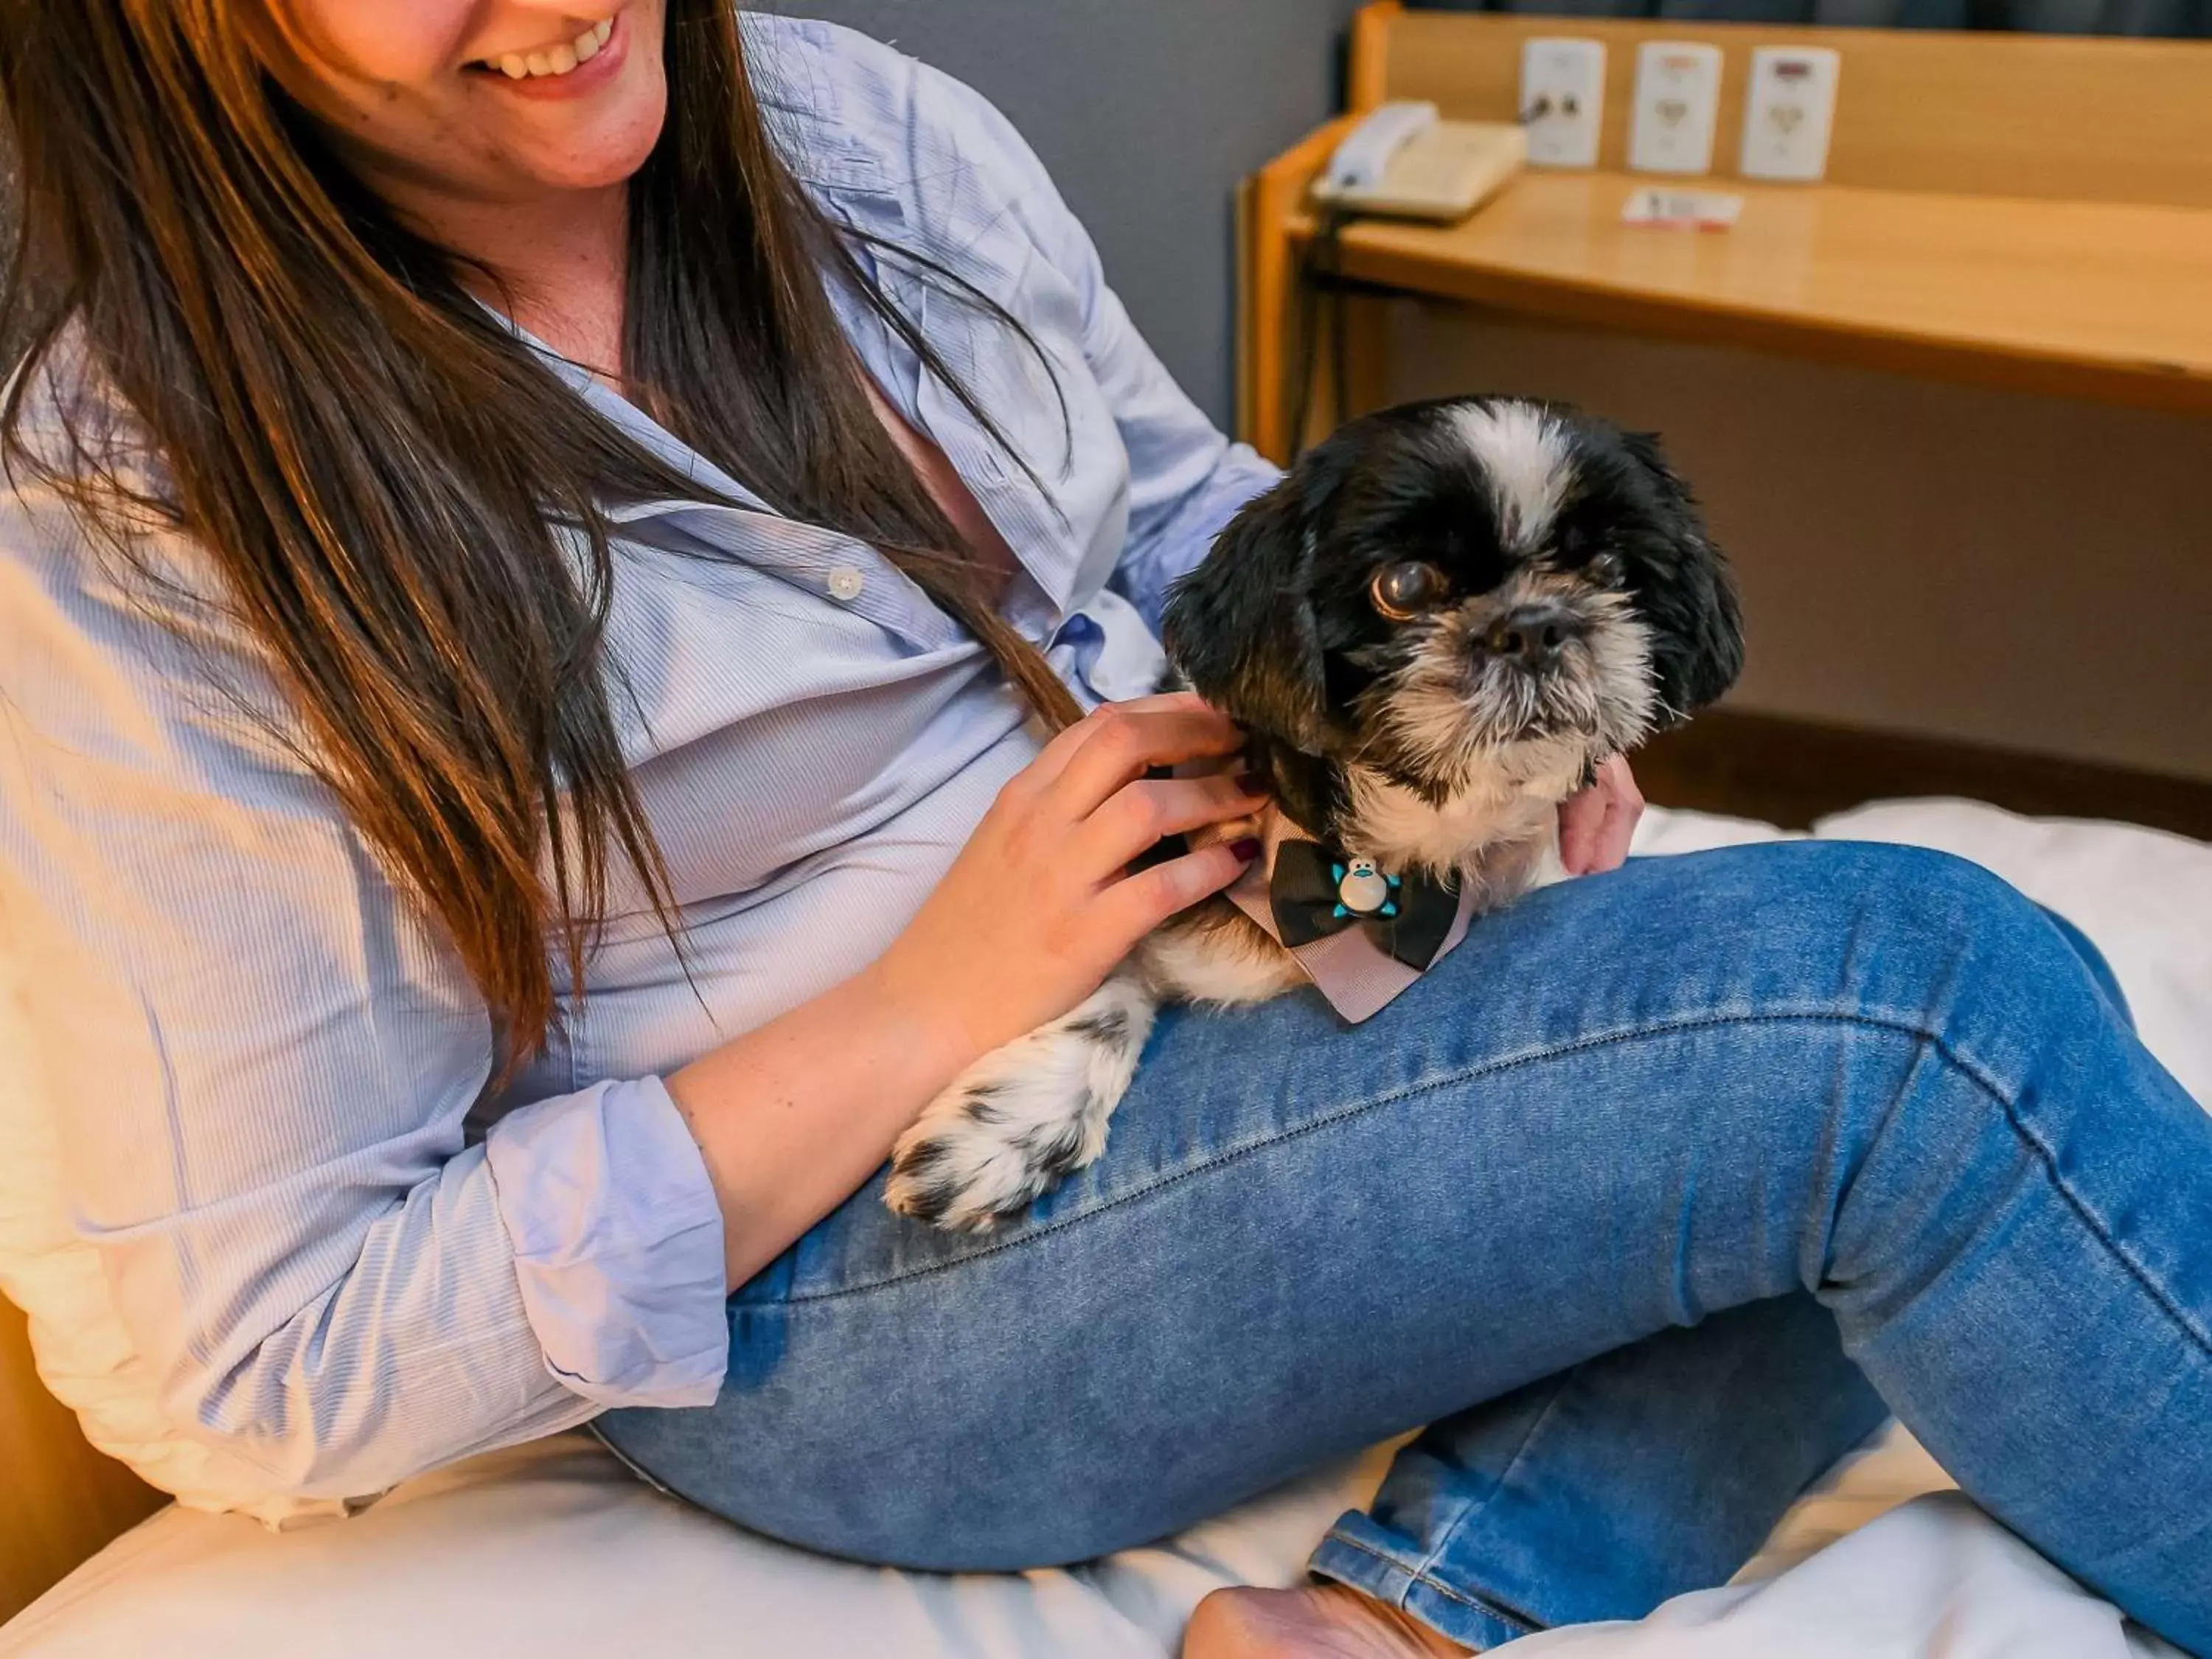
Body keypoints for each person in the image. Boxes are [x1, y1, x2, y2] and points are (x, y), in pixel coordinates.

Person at [0, 6, 2204, 1656]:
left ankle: (1417, 1611)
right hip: (850, 1274)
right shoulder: (141, 525)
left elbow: (1166, 511)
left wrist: (1456, 694)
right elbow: (246, 1353)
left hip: (1244, 970)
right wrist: (938, 993)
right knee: (1927, 1011)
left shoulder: (852, 129)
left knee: (1793, 1059)